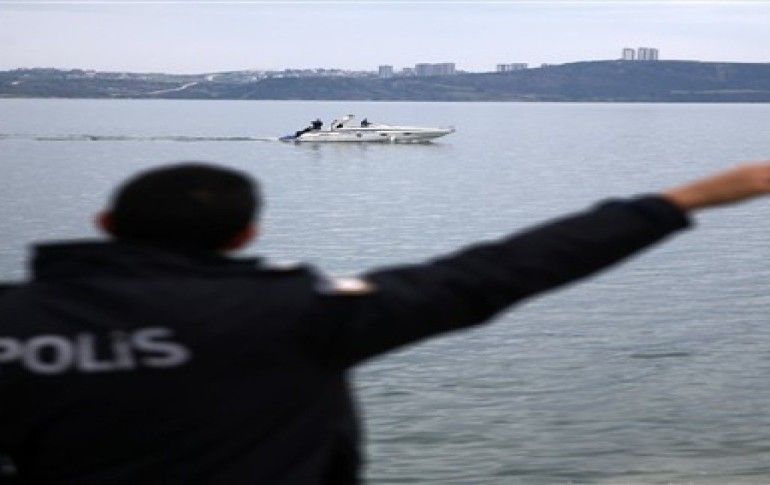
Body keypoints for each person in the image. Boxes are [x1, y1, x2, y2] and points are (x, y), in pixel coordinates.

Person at [1, 161, 770, 484]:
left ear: (105, 222)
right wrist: (681, 200)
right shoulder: (297, 314)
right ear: (245, 234)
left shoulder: (15, 317)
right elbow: (490, 273)